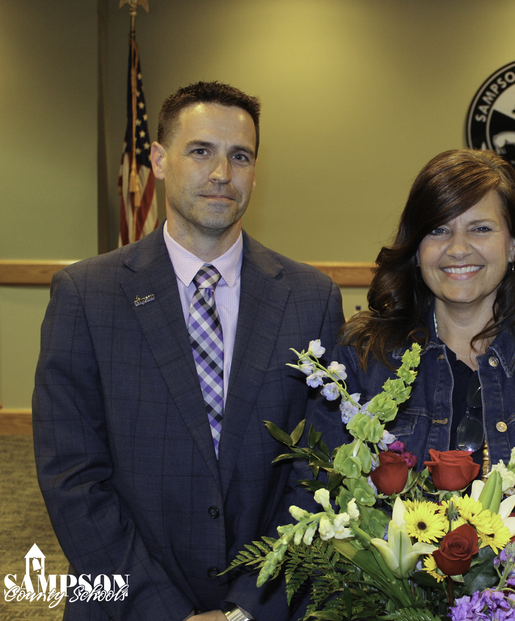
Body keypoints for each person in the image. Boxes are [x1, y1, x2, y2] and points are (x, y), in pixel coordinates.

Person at [33, 81, 344, 621]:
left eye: (240, 156)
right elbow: (72, 476)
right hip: (126, 603)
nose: (222, 173)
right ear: (158, 160)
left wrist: (248, 608)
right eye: (201, 151)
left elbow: (321, 472)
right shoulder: (86, 295)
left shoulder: (311, 298)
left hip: (270, 603)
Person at [316, 148, 515, 526]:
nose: (459, 248)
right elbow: (321, 502)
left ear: (513, 244)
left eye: (481, 228)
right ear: (416, 248)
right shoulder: (363, 358)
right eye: (438, 229)